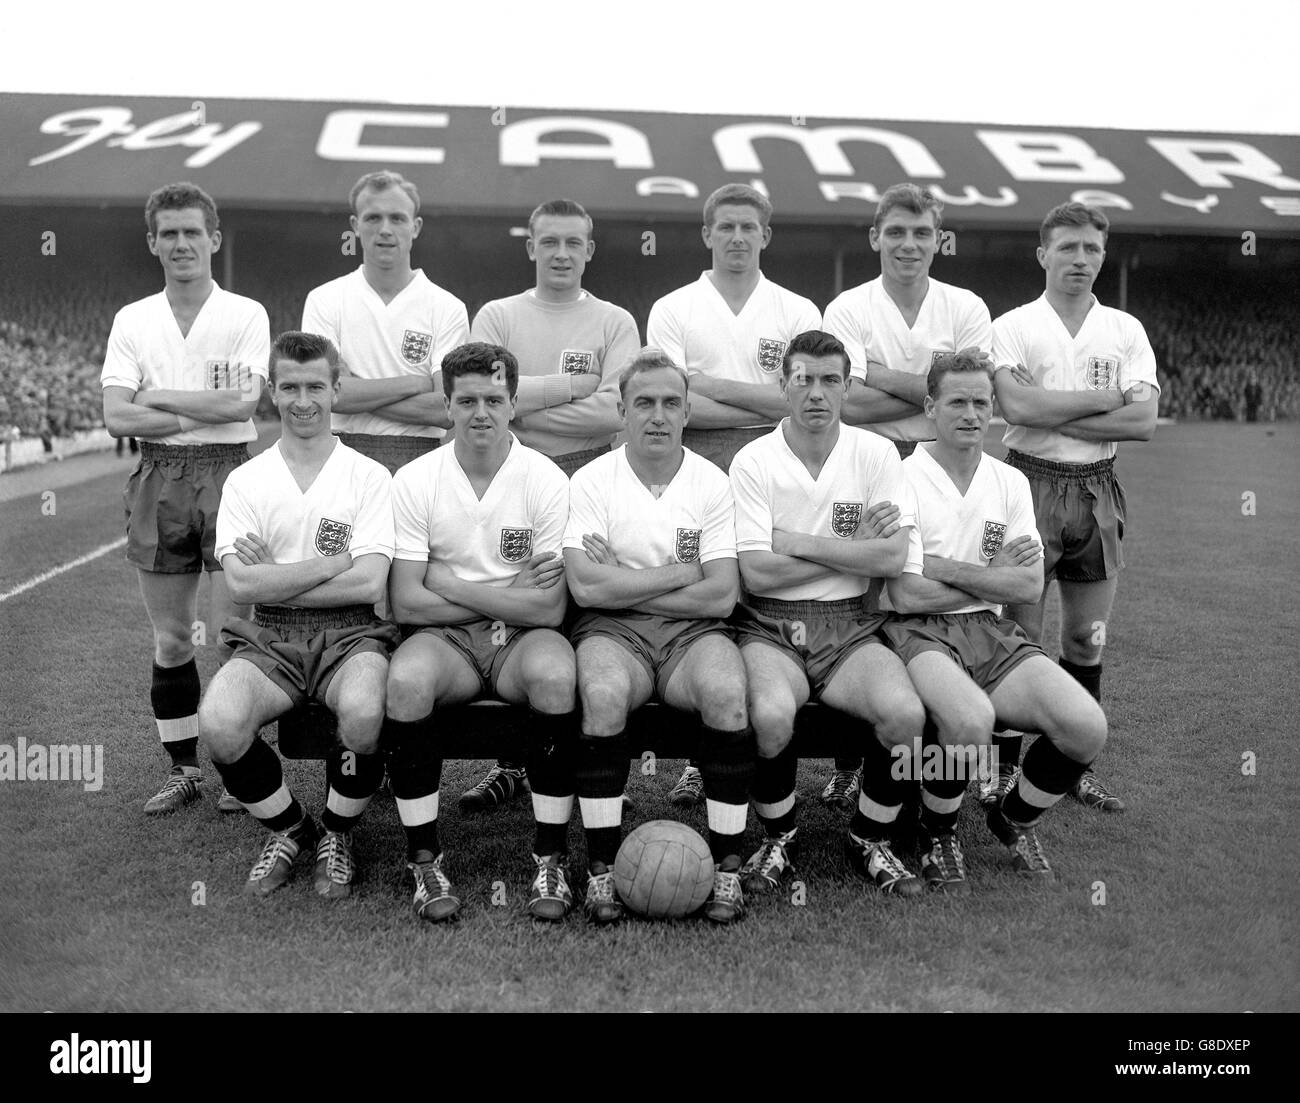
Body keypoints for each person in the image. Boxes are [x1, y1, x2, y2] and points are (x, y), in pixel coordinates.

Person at [883, 350, 1108, 887]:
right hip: (917, 633)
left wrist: (942, 567)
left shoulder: (1008, 481)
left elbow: (1027, 585)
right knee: (969, 723)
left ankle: (1012, 819)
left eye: (981, 402)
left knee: (1085, 726)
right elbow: (907, 594)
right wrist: (987, 572)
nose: (971, 414)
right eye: (957, 401)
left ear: (994, 411)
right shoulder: (899, 477)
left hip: (989, 629)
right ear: (930, 405)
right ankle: (938, 829)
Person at [384, 342, 579, 923]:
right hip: (448, 642)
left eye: (494, 399)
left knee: (555, 673)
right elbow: (405, 602)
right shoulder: (416, 479)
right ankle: (424, 858)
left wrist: (452, 585)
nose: (480, 412)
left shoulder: (545, 478)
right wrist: (506, 594)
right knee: (406, 681)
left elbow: (548, 610)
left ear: (515, 403)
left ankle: (550, 856)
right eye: (466, 400)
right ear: (446, 406)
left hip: (521, 636)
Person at [199, 332, 398, 898]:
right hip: (269, 633)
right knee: (219, 721)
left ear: (337, 389)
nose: (303, 400)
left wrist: (281, 577)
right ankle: (291, 827)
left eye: (316, 386)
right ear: (271, 390)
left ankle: (337, 833)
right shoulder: (247, 479)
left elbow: (369, 582)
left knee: (363, 711)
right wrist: (333, 562)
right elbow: (239, 583)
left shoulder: (369, 476)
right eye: (289, 387)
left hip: (356, 631)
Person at [729, 330, 926, 898]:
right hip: (768, 621)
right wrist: (848, 550)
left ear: (846, 387)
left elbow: (889, 557)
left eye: (830, 380)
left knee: (904, 715)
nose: (817, 393)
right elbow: (757, 575)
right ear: (783, 384)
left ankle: (869, 837)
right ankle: (780, 837)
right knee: (769, 714)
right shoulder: (753, 460)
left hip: (848, 623)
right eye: (804, 379)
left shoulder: (877, 453)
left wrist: (793, 541)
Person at [563, 349, 755, 925]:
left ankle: (727, 869)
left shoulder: (712, 482)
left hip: (695, 633)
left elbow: (721, 596)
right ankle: (600, 871)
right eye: (643, 402)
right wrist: (679, 572)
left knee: (725, 692)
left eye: (671, 402)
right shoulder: (592, 478)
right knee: (599, 692)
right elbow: (586, 590)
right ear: (621, 410)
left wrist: (622, 579)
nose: (658, 415)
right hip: (611, 631)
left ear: (688, 411)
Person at [461, 199, 640, 813]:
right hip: (513, 473)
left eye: (574, 242)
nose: (562, 253)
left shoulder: (616, 321)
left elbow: (615, 409)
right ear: (531, 247)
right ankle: (513, 762)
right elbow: (483, 396)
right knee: (516, 601)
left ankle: (581, 757)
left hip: (591, 475)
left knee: (573, 608)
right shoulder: (498, 315)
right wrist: (570, 386)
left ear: (589, 250)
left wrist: (521, 401)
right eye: (550, 242)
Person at [819, 183, 993, 811]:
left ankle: (955, 749)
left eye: (922, 233)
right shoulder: (847, 306)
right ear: (876, 237)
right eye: (896, 232)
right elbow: (847, 398)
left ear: (938, 240)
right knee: (858, 605)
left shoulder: (966, 306)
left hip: (939, 463)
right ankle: (852, 760)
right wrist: (933, 390)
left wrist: (884, 380)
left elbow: (971, 390)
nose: (909, 244)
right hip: (864, 462)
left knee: (929, 600)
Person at [646, 183, 820, 807]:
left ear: (765, 235)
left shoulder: (797, 309)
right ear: (708, 233)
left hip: (777, 464)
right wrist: (752, 398)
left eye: (750, 227)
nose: (738, 237)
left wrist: (710, 384)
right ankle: (707, 749)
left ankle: (772, 728)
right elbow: (675, 405)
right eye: (726, 227)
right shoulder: (673, 307)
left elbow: (801, 401)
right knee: (708, 601)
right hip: (697, 465)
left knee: (762, 594)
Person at [100, 182, 269, 817]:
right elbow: (118, 417)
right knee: (171, 639)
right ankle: (183, 768)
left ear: (213, 239)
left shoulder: (245, 313)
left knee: (235, 632)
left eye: (191, 232)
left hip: (230, 475)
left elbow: (242, 407)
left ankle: (234, 769)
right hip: (158, 477)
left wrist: (157, 399)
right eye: (168, 233)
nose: (180, 243)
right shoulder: (132, 318)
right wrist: (187, 409)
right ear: (152, 243)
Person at [989, 202, 1159, 814]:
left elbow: (1143, 422)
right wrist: (1106, 398)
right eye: (1067, 248)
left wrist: (1054, 403)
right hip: (1028, 485)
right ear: (1044, 254)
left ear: (1102, 255)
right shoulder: (1013, 325)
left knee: (1087, 639)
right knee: (1018, 636)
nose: (1080, 260)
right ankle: (1002, 771)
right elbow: (1019, 412)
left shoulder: (1125, 329)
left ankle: (1071, 768)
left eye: (1091, 249)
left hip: (1097, 488)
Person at [301, 170, 469, 475]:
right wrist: (414, 384)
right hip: (342, 456)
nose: (385, 229)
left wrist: (353, 393)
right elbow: (323, 395)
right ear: (355, 226)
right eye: (373, 218)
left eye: (397, 218)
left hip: (420, 462)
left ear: (415, 227)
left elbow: (444, 410)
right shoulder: (324, 299)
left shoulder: (447, 307)